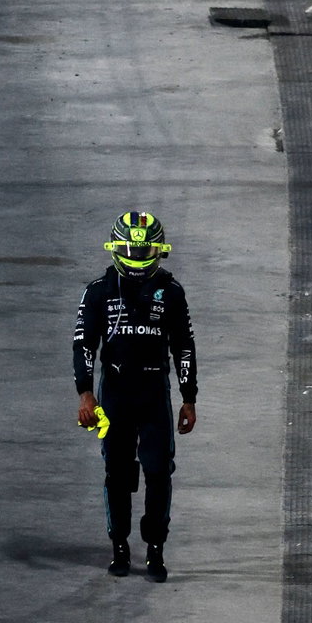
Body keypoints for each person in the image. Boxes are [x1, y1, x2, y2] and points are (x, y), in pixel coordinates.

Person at [74, 210, 197, 582]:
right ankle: (120, 547)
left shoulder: (172, 292)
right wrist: (85, 394)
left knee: (159, 471)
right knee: (118, 471)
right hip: (114, 395)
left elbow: (184, 346)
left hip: (154, 394)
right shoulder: (98, 291)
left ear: (159, 251)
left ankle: (155, 549)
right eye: (131, 250)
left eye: (144, 252)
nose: (138, 258)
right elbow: (84, 345)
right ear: (116, 248)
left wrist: (189, 397)